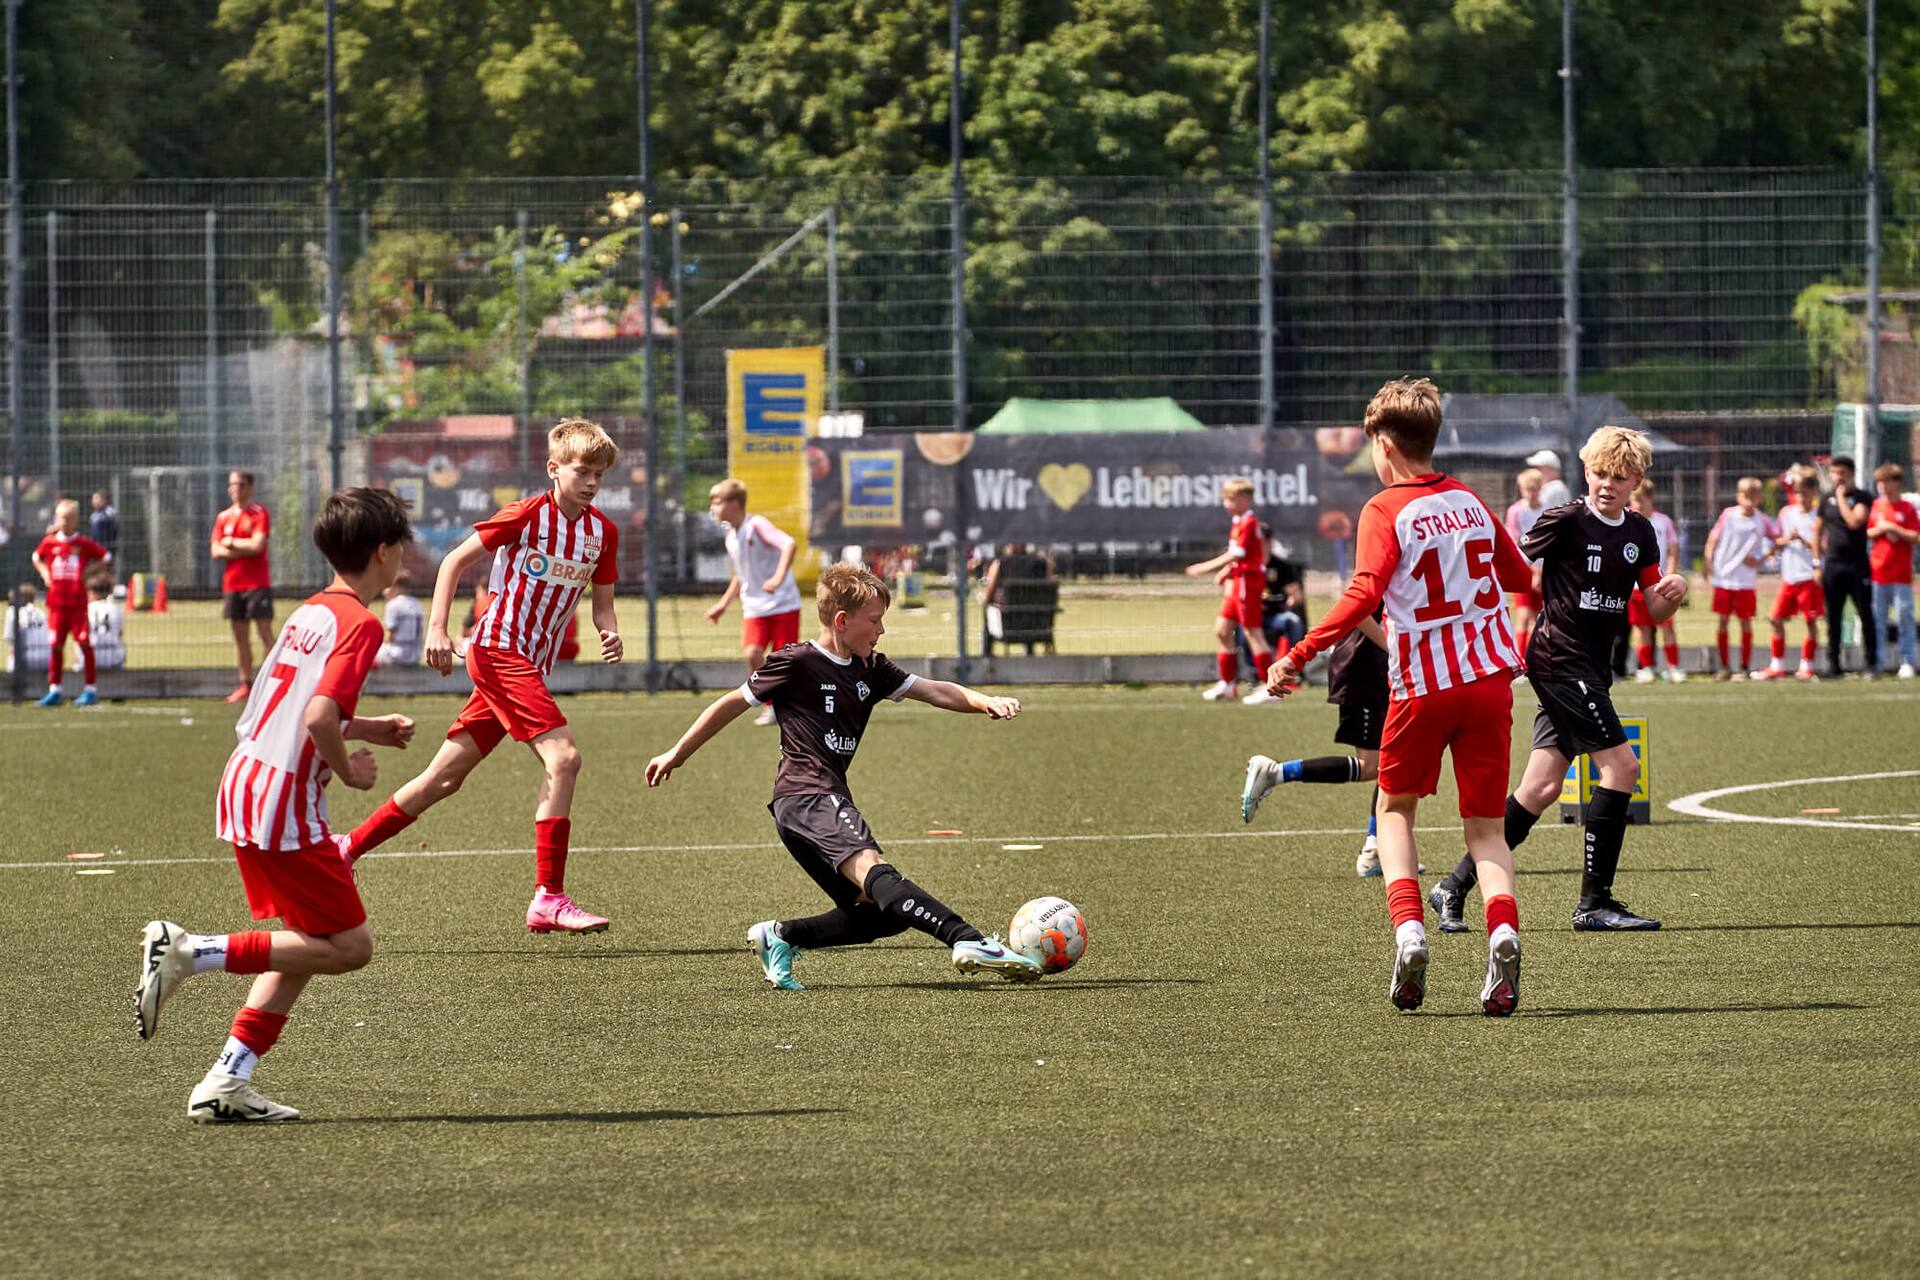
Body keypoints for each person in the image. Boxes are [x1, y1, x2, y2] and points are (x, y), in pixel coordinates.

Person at [132, 487, 416, 1123]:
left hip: (248, 779)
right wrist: (351, 771)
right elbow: (317, 717)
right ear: (383, 551)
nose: (403, 558)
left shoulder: (311, 610)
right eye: (401, 547)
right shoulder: (362, 624)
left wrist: (367, 728)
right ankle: (192, 952)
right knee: (350, 947)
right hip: (284, 799)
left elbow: (289, 706)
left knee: (309, 941)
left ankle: (227, 1080)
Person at [1265, 378, 1535, 1016]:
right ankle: (1503, 932)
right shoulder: (1470, 500)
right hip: (1490, 684)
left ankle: (1410, 931)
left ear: (1385, 444)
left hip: (1421, 688)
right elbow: (1522, 578)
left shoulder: (1384, 509)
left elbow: (1362, 594)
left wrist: (1298, 654)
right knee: (1487, 832)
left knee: (1394, 811)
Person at [645, 563, 1042, 989]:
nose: (882, 630)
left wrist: (986, 701)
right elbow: (730, 703)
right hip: (809, 794)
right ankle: (968, 940)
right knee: (874, 868)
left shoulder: (871, 668)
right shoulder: (797, 662)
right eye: (874, 620)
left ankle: (779, 936)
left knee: (878, 916)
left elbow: (935, 690)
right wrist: (677, 753)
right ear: (841, 621)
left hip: (802, 807)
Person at [339, 420, 624, 934]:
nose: (591, 482)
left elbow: (602, 605)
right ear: (553, 469)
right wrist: (438, 630)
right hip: (498, 651)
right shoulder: (526, 515)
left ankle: (346, 849)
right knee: (565, 758)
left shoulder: (602, 533)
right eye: (582, 470)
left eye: (599, 474)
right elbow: (452, 562)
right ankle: (549, 897)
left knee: (442, 778)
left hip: (528, 665)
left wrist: (611, 632)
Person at [1430, 425, 1688, 937]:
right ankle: (1595, 902)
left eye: (1618, 476)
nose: (1606, 484)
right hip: (1558, 660)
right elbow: (1505, 562)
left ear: (1637, 480)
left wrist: (1671, 592)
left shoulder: (1639, 532)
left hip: (1592, 667)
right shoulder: (1566, 520)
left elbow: (1654, 608)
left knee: (1541, 787)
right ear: (1585, 471)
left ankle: (1452, 886)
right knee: (1622, 767)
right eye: (1598, 473)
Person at [1242, 610, 1403, 878]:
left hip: (1382, 670)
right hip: (1364, 670)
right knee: (1374, 766)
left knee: (1393, 759)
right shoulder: (1383, 567)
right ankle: (1275, 773)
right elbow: (1359, 610)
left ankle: (1376, 848)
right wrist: (1391, 646)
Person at [705, 479, 802, 726]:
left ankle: (788, 706)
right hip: (755, 607)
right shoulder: (731, 537)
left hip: (783, 604)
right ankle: (771, 704)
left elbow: (788, 544)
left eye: (717, 502)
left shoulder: (756, 525)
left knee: (782, 660)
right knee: (752, 653)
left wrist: (779, 577)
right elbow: (741, 574)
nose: (713, 508)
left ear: (735, 504)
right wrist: (723, 605)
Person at [1187, 477, 1276, 704]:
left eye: (1231, 499)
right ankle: (1227, 685)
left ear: (1245, 499)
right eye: (1225, 499)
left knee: (1252, 632)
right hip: (1237, 581)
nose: (1226, 504)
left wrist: (1204, 567)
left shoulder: (1248, 522)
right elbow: (1238, 554)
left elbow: (1237, 555)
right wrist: (1226, 571)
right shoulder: (1238, 520)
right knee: (1222, 630)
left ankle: (1269, 688)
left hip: (1248, 581)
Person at [32, 498, 113, 707]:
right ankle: (55, 690)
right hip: (56, 605)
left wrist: (88, 572)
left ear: (76, 520)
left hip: (77, 604)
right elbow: (36, 557)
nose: (63, 523)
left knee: (85, 642)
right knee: (55, 645)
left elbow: (106, 556)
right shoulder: (50, 542)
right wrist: (44, 573)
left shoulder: (83, 544)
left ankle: (90, 689)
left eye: (67, 519)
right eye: (60, 518)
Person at [212, 469, 275, 704]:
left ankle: (273, 682)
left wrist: (231, 544)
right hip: (233, 584)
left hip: (257, 583)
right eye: (232, 484)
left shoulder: (258, 513)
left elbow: (257, 546)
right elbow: (215, 550)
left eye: (239, 484)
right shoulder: (223, 517)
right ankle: (246, 684)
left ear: (249, 487)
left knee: (265, 632)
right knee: (240, 636)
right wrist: (237, 547)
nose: (234, 489)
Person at [1755, 473, 1824, 682]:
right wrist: (1785, 540)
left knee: (1810, 621)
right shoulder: (1786, 513)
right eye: (1797, 493)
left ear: (1813, 493)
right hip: (1790, 577)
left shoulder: (1818, 517)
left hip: (1808, 577)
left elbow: (1824, 547)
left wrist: (1803, 540)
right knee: (1775, 619)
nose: (1801, 497)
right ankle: (1777, 665)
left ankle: (1807, 665)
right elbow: (1776, 539)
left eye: (1804, 493)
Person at [1702, 477, 1772, 680]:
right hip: (1724, 578)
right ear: (1738, 496)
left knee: (1745, 622)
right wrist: (1708, 562)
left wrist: (1760, 558)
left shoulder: (1762, 520)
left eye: (1753, 496)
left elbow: (1777, 539)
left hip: (1745, 581)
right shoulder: (1728, 515)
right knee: (1723, 621)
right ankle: (1724, 665)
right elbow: (1713, 539)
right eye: (1745, 496)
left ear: (1759, 498)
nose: (1749, 500)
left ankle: (1744, 666)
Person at [1819, 456, 1877, 678]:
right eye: (1834, 473)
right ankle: (1833, 666)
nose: (1837, 477)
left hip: (1857, 565)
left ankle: (1871, 664)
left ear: (1850, 473)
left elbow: (1854, 522)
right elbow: (1818, 530)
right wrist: (1817, 561)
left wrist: (1842, 498)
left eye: (1841, 473)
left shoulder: (1862, 497)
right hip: (1833, 566)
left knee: (1865, 615)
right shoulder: (1826, 499)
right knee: (1833, 617)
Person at [1627, 480, 1686, 682]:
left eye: (1640, 500)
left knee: (1667, 626)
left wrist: (1669, 574)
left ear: (1650, 499)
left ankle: (1673, 667)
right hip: (1635, 587)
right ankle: (1646, 667)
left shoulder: (1663, 521)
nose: (1636, 504)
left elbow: (1672, 549)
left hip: (1660, 585)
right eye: (1633, 500)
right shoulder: (1627, 520)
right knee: (1641, 627)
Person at [1867, 462, 1920, 678]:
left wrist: (1894, 528)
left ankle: (1907, 661)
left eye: (1885, 482)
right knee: (1877, 619)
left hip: (1901, 575)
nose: (1881, 487)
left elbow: (1915, 537)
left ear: (1895, 483)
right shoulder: (1877, 507)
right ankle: (1877, 662)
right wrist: (1880, 529)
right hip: (1878, 572)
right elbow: (1869, 532)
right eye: (1878, 482)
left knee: (1904, 618)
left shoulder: (1907, 508)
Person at [981, 542, 1053, 656]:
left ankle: (986, 653)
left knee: (988, 609)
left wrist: (989, 601)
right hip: (1037, 628)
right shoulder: (1041, 563)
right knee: (1028, 610)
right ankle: (1029, 651)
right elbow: (1049, 590)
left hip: (1007, 628)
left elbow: (988, 596)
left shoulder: (1000, 564)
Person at [1504, 468, 1547, 661]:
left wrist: (1541, 571)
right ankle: (1521, 660)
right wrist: (1532, 571)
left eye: (1534, 489)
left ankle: (1535, 660)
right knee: (1523, 616)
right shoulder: (1515, 511)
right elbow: (1515, 542)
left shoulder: (1547, 511)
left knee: (1539, 618)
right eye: (1526, 489)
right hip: (1524, 570)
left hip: (1545, 571)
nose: (1530, 493)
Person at [1256, 526, 1308, 657]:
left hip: (1275, 616)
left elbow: (1296, 596)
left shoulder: (1281, 567)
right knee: (1242, 627)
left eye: (1258, 539)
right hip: (1253, 615)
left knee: (1293, 621)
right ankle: (1252, 671)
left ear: (1268, 541)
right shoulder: (1248, 564)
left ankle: (1293, 664)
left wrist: (1289, 603)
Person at [374, 570, 424, 667]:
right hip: (416, 655)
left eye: (387, 587)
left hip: (398, 654)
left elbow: (391, 635)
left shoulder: (393, 605)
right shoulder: (416, 603)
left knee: (371, 652)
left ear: (396, 587)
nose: (384, 592)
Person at [4, 583, 50, 676]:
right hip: (46, 660)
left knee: (11, 658)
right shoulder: (41, 613)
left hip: (25, 660)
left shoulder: (12, 611)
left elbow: (12, 641)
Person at [87, 574, 126, 671]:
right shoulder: (116, 609)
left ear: (92, 592)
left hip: (90, 658)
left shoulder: (87, 609)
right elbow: (120, 634)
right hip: (113, 659)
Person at [89, 491, 119, 559]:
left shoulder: (110, 512)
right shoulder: (93, 515)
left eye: (96, 498)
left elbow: (114, 530)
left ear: (104, 500)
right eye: (93, 498)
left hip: (107, 547)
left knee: (107, 567)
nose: (94, 501)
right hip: (95, 547)